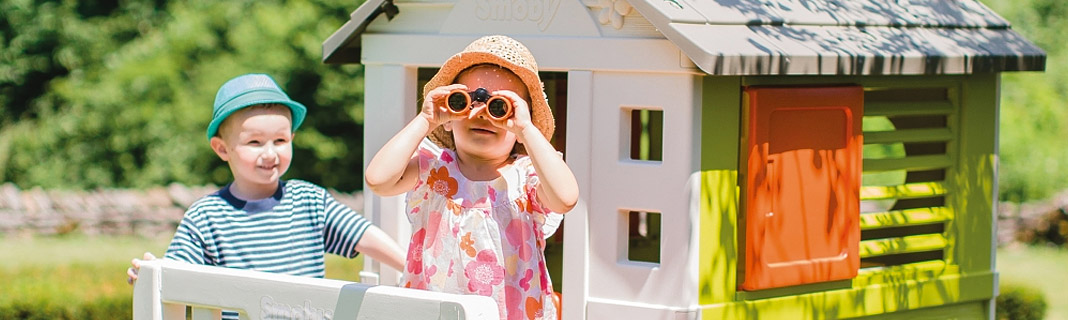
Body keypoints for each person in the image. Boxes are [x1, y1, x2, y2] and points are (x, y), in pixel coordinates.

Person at [126, 73, 406, 319]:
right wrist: (152, 270)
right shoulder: (207, 216)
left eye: (280, 141)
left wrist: (411, 267)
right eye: (255, 142)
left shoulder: (309, 201)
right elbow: (176, 270)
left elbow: (363, 234)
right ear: (222, 149)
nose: (270, 153)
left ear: (292, 139)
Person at [364, 35, 578, 320]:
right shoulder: (434, 170)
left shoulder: (526, 179)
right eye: (466, 100)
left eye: (500, 106)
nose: (482, 113)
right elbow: (378, 179)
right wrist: (425, 120)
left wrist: (526, 128)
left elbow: (565, 198)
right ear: (450, 116)